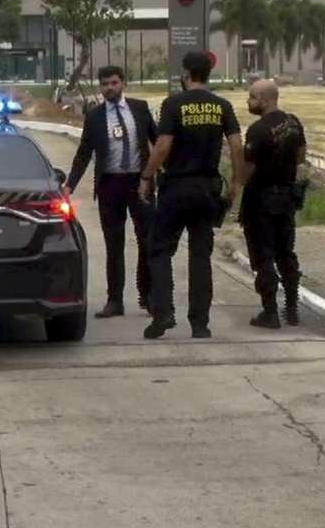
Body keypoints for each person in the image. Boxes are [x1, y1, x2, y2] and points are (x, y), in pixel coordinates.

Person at [138, 51, 246, 339]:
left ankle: (163, 313)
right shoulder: (222, 106)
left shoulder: (173, 104)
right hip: (207, 190)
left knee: (159, 249)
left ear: (186, 75)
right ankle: (200, 324)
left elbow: (162, 147)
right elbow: (237, 147)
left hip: (176, 187)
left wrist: (146, 176)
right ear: (208, 74)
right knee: (201, 256)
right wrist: (236, 183)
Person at [65, 66, 158, 318]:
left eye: (114, 83)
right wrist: (69, 186)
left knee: (147, 240)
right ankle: (114, 300)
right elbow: (84, 153)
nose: (109, 88)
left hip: (140, 184)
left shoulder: (140, 108)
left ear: (123, 83)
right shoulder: (94, 116)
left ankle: (148, 295)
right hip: (110, 186)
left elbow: (158, 141)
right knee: (114, 245)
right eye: (105, 84)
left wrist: (161, 175)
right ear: (100, 87)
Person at [239, 79, 307, 329]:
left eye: (252, 97)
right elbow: (301, 156)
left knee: (263, 255)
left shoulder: (257, 130)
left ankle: (270, 312)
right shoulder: (293, 123)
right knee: (285, 252)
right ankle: (291, 307)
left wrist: (237, 186)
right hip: (287, 197)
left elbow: (247, 171)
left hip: (261, 199)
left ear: (264, 99)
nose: (249, 102)